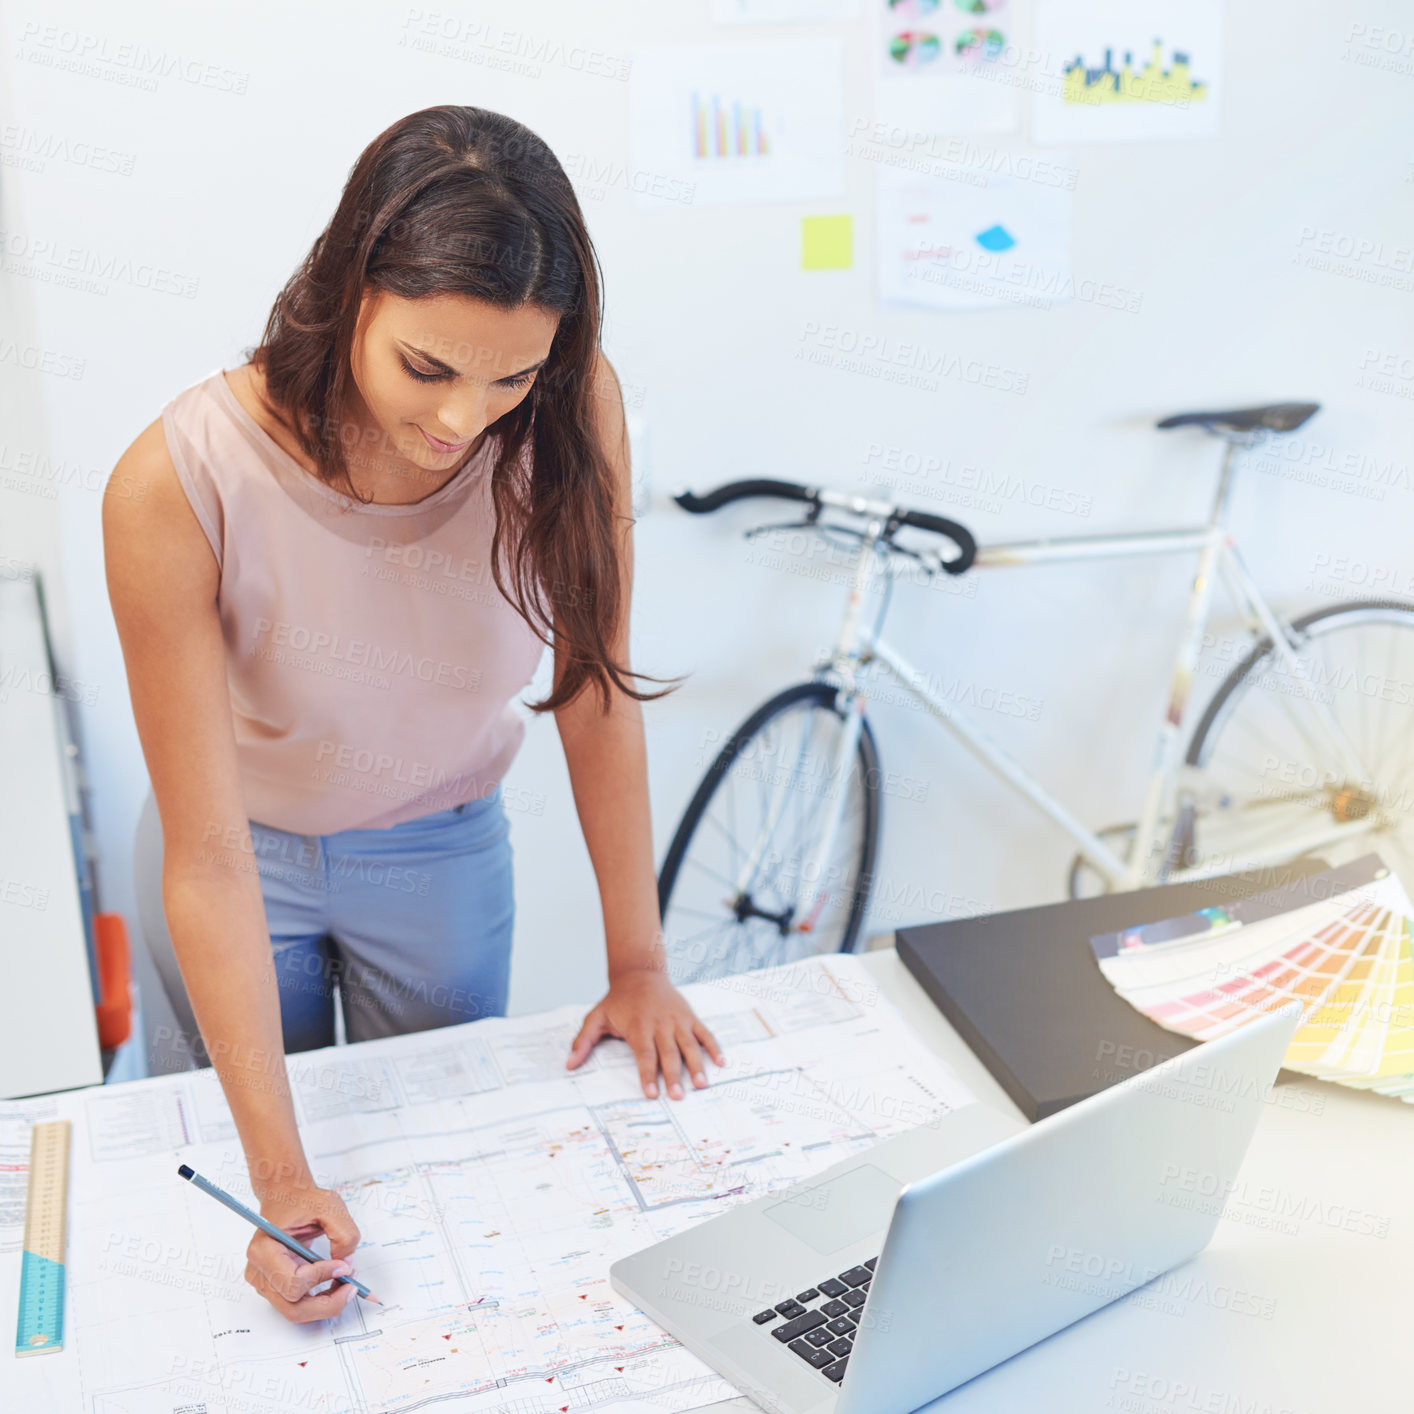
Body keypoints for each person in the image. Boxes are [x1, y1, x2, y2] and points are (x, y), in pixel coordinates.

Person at [103, 105, 723, 1324]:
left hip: (440, 850)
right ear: (348, 295)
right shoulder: (174, 481)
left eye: (510, 377)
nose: (461, 421)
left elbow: (593, 687)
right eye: (427, 369)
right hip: (238, 860)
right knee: (238, 1209)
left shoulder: (571, 411)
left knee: (444, 1189)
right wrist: (279, 1179)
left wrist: (638, 961)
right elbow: (209, 852)